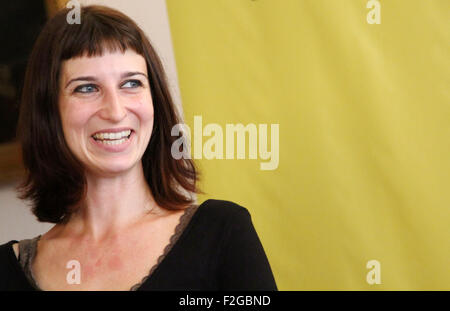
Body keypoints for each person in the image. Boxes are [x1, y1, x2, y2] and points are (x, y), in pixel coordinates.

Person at [0, 5, 277, 291]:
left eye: (131, 83)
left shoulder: (223, 233)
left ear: (154, 99)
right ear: (49, 111)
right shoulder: (6, 270)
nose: (116, 111)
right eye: (86, 88)